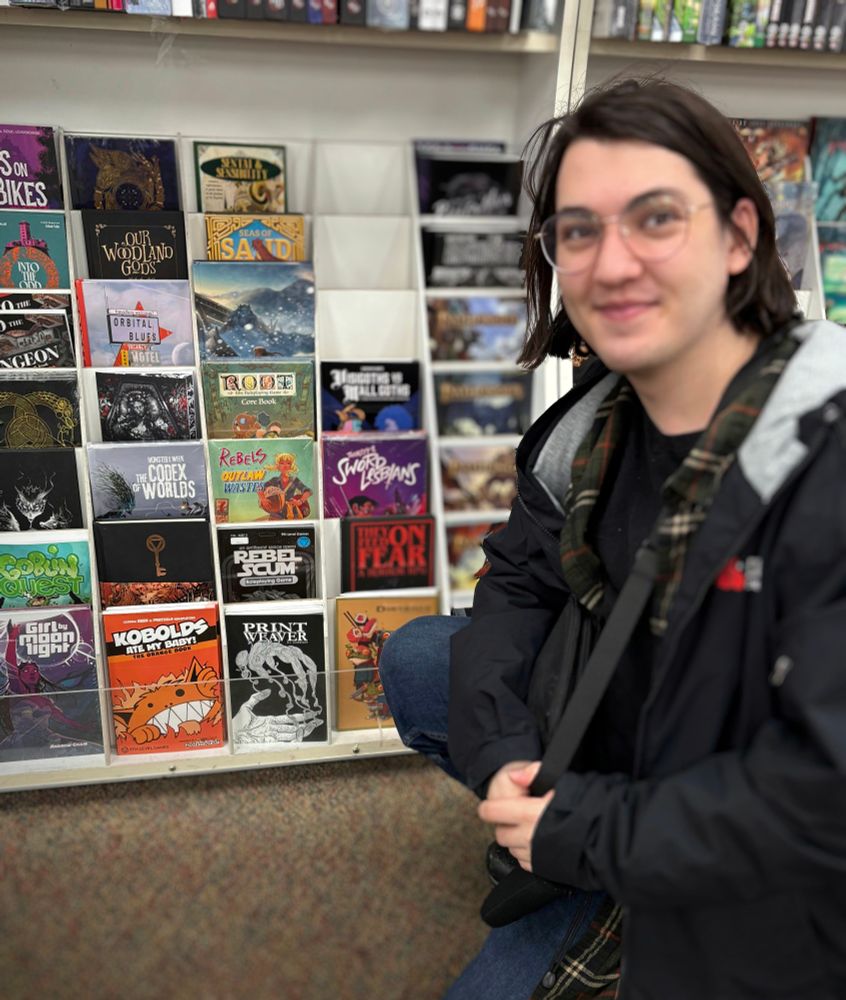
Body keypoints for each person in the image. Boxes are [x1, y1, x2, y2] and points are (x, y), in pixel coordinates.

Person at [379, 77, 846, 1000]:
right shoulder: (591, 422)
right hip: (621, 759)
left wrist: (584, 833)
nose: (612, 263)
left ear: (740, 236)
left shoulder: (819, 449)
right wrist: (508, 760)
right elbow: (515, 587)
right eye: (579, 230)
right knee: (427, 661)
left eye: (657, 219)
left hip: (751, 840)